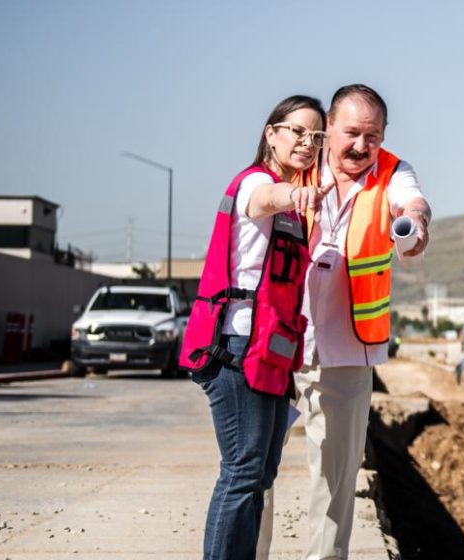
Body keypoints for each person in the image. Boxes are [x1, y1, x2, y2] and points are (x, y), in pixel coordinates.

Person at [180, 94, 331, 560]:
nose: (307, 143)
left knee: (260, 475)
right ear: (271, 133)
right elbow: (266, 198)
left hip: (270, 351)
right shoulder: (256, 185)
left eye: (316, 136)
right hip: (237, 347)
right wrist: (294, 193)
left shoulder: (289, 198)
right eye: (298, 132)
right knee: (242, 471)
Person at [296, 84, 432, 559]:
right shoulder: (298, 164)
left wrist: (414, 224)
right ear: (328, 127)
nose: (360, 145)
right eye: (351, 132)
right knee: (256, 472)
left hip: (349, 349)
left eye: (372, 137)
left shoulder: (394, 172)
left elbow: (413, 205)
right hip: (282, 337)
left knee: (335, 476)